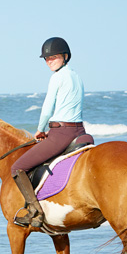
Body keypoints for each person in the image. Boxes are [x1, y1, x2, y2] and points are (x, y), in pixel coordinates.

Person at [10, 37, 87, 229]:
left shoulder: (57, 77)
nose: (49, 61)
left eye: (53, 57)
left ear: (65, 56)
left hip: (61, 133)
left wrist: (40, 129)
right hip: (80, 130)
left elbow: (47, 108)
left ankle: (35, 212)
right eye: (46, 58)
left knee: (17, 168)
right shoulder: (77, 76)